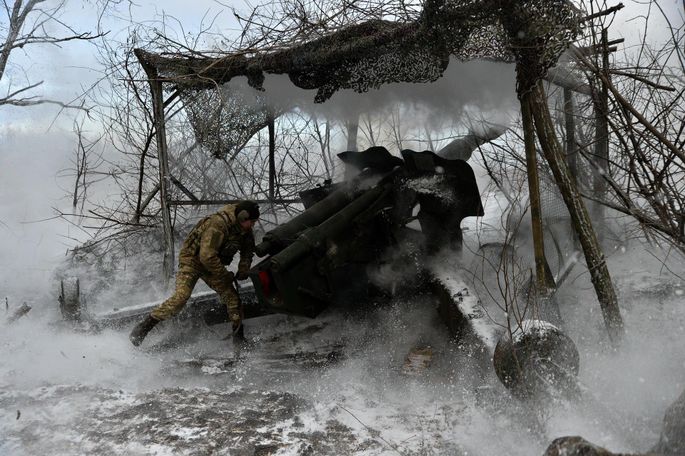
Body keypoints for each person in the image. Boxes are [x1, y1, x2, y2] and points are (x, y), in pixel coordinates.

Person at [129, 200, 260, 346]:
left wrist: (243, 269)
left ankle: (239, 340)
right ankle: (144, 327)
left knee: (233, 300)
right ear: (242, 217)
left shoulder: (245, 230)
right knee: (181, 297)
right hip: (192, 262)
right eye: (252, 221)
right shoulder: (218, 225)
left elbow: (248, 251)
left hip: (212, 265)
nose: (253, 225)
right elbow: (207, 257)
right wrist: (224, 275)